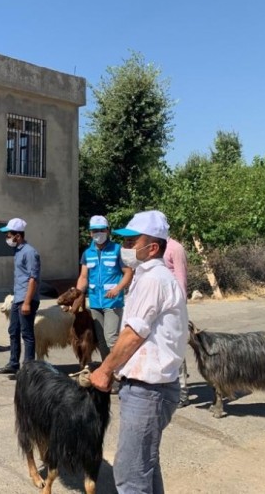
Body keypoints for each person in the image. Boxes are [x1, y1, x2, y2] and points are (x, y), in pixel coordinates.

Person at [90, 210, 188, 494]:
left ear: (153, 247)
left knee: (131, 473)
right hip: (148, 388)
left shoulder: (153, 279)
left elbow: (133, 334)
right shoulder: (147, 277)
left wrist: (105, 370)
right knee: (145, 465)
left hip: (149, 391)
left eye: (133, 242)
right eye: (126, 241)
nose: (126, 247)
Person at [76, 215, 133, 382]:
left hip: (113, 302)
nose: (98, 233)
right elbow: (83, 276)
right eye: (95, 230)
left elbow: (128, 273)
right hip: (95, 302)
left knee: (112, 339)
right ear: (90, 233)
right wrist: (78, 295)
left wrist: (118, 289)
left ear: (108, 231)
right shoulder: (87, 253)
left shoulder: (117, 250)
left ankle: (121, 374)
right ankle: (107, 373)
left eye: (101, 230)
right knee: (100, 340)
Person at [0, 218, 41, 376]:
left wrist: (27, 302)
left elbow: (33, 279)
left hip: (26, 300)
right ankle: (13, 363)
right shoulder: (18, 251)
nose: (7, 238)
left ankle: (28, 369)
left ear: (18, 236)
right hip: (17, 298)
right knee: (13, 330)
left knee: (26, 334)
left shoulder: (30, 252)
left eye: (9, 235)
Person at [164, 236, 190, 407]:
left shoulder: (175, 248)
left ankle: (182, 391)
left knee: (176, 347)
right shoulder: (152, 248)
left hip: (173, 306)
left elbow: (181, 278)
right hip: (158, 305)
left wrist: (179, 306)